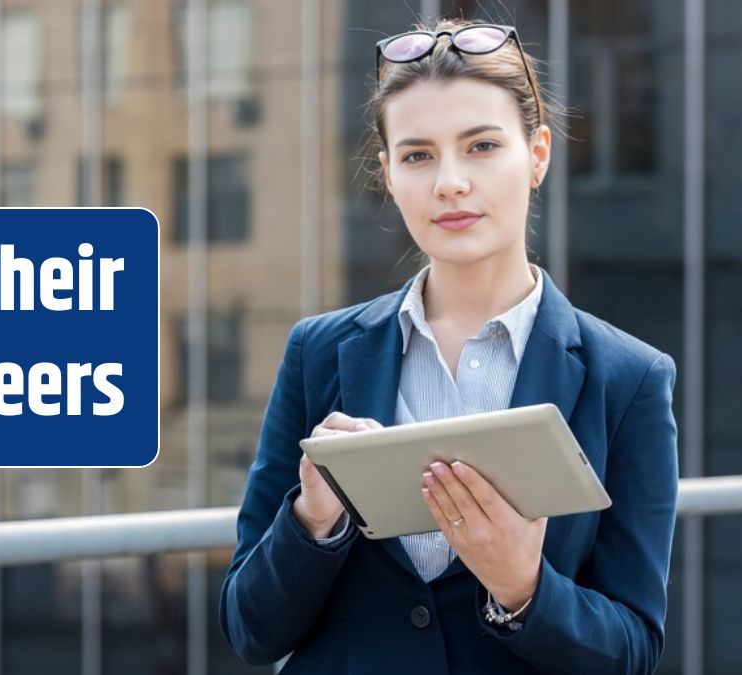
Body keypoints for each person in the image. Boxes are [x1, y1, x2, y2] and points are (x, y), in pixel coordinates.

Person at [218, 17, 679, 675]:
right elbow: (250, 628)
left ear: (538, 154)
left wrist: (524, 587)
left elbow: (631, 652)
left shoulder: (627, 379)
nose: (450, 182)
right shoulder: (318, 353)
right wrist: (312, 519)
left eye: (482, 146)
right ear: (388, 173)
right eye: (417, 155)